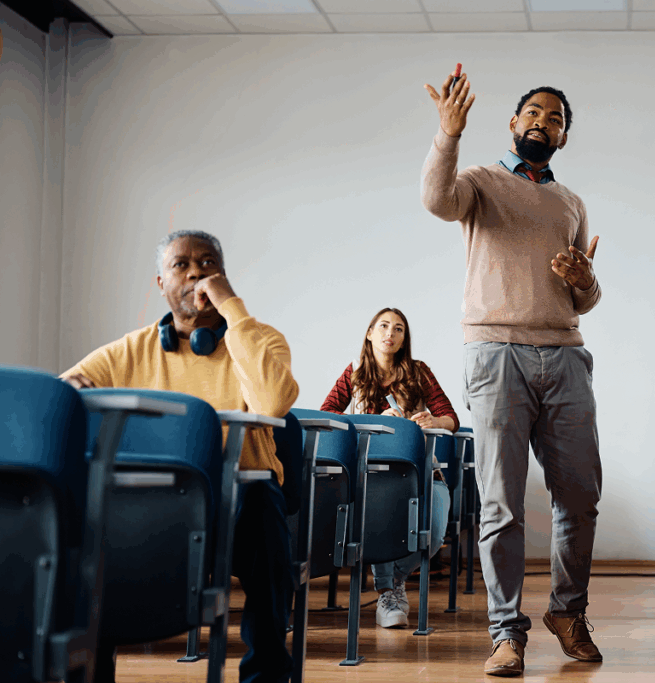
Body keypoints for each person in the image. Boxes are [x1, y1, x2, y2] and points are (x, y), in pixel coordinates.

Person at [421, 69, 602, 677]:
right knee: (501, 503)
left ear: (564, 137)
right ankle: (506, 633)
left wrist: (585, 282)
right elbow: (435, 200)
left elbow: (585, 297)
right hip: (496, 352)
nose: (542, 122)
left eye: (555, 118)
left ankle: (567, 612)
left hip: (566, 355)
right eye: (534, 112)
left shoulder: (571, 201)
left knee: (579, 496)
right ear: (512, 123)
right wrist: (447, 136)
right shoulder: (479, 182)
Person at [61, 230, 299, 683]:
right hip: (152, 502)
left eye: (208, 263)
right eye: (181, 265)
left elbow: (271, 402)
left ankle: (267, 672)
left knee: (265, 508)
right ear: (160, 283)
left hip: (240, 494)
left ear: (223, 276)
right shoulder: (130, 350)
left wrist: (232, 308)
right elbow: (66, 389)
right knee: (85, 522)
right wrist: (75, 390)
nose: (196, 272)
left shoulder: (261, 340)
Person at [320, 307, 457, 628]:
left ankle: (392, 579)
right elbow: (328, 416)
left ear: (404, 338)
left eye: (398, 329)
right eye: (383, 326)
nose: (390, 334)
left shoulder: (419, 371)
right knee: (378, 525)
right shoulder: (354, 373)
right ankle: (388, 590)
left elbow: (451, 418)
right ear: (369, 333)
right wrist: (374, 422)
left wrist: (433, 421)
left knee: (435, 533)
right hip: (370, 473)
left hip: (420, 467)